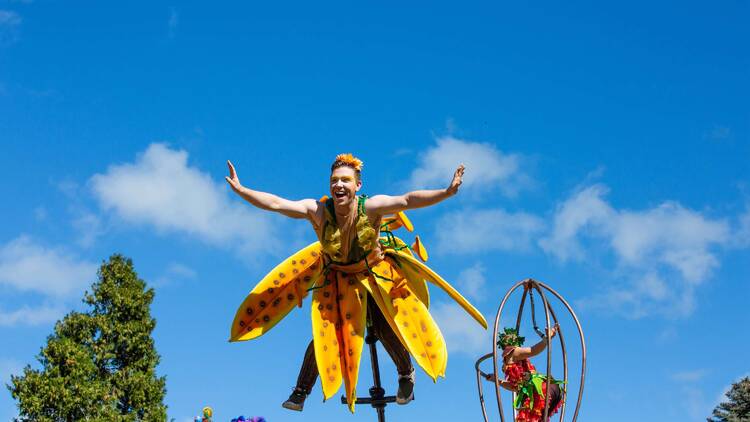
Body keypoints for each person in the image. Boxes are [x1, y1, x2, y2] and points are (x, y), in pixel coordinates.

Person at [226, 153, 487, 412]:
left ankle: (406, 374)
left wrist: (446, 192)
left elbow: (407, 199)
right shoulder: (317, 211)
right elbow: (275, 203)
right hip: (337, 278)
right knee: (324, 333)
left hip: (373, 274)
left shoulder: (372, 207)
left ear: (357, 185)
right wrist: (242, 190)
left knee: (383, 325)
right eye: (334, 181)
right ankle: (301, 391)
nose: (339, 185)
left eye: (345, 180)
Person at [485, 326, 564, 422]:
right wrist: (495, 380)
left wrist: (547, 338)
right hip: (547, 392)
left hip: (542, 391)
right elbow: (515, 387)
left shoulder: (513, 352)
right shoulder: (509, 360)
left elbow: (533, 350)